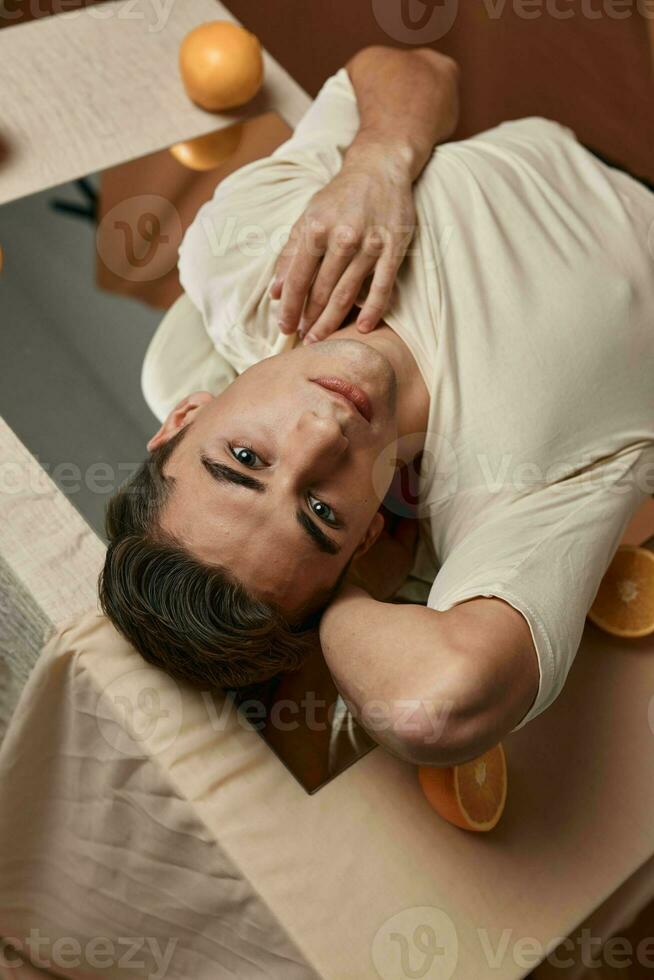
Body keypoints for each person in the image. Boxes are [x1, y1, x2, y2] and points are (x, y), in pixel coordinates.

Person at [99, 46, 654, 767]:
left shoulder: (247, 266)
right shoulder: (500, 500)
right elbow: (436, 707)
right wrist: (350, 599)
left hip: (582, 100)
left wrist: (377, 162)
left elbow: (418, 67)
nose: (321, 437)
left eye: (244, 460)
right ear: (365, 542)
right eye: (322, 513)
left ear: (183, 417)